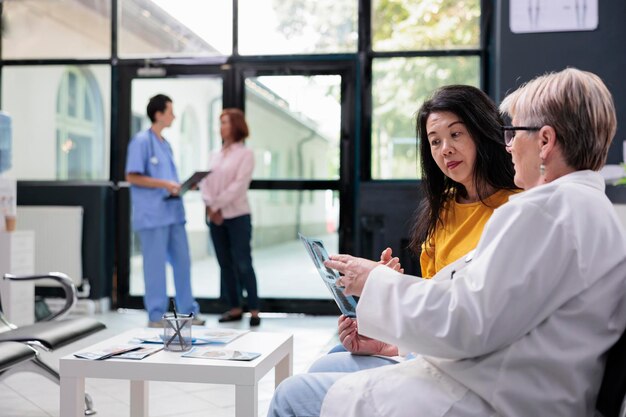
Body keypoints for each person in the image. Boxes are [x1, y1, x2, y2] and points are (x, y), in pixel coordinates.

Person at [268, 67, 626, 417]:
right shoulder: (588, 210)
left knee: (291, 396)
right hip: (504, 378)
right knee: (325, 369)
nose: (510, 146)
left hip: (490, 394)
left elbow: (466, 321)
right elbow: (481, 311)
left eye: (514, 133)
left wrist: (375, 282)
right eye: (435, 141)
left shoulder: (541, 213)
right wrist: (387, 321)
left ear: (545, 141)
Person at [312, 85, 519, 367]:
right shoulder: (443, 206)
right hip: (433, 351)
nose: (446, 150)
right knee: (334, 356)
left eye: (455, 134)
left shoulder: (516, 209)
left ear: (483, 133)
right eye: (435, 142)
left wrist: (387, 284)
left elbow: (472, 316)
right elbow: (431, 305)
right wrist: (387, 343)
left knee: (315, 376)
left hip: (468, 362)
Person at [125, 94, 203, 328]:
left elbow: (169, 179)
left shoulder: (165, 144)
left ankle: (188, 312)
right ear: (158, 114)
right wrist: (165, 185)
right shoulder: (141, 142)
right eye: (170, 111)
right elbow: (132, 176)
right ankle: (156, 316)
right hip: (152, 216)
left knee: (183, 263)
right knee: (155, 268)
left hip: (173, 214)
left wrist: (182, 186)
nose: (174, 116)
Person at [199, 108, 261, 327]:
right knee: (225, 263)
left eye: (225, 122)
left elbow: (239, 186)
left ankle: (253, 309)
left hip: (237, 216)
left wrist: (215, 206)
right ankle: (235, 307)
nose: (222, 126)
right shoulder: (214, 154)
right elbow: (204, 183)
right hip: (215, 218)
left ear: (236, 126)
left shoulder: (245, 154)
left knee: (244, 263)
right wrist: (209, 205)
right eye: (220, 122)